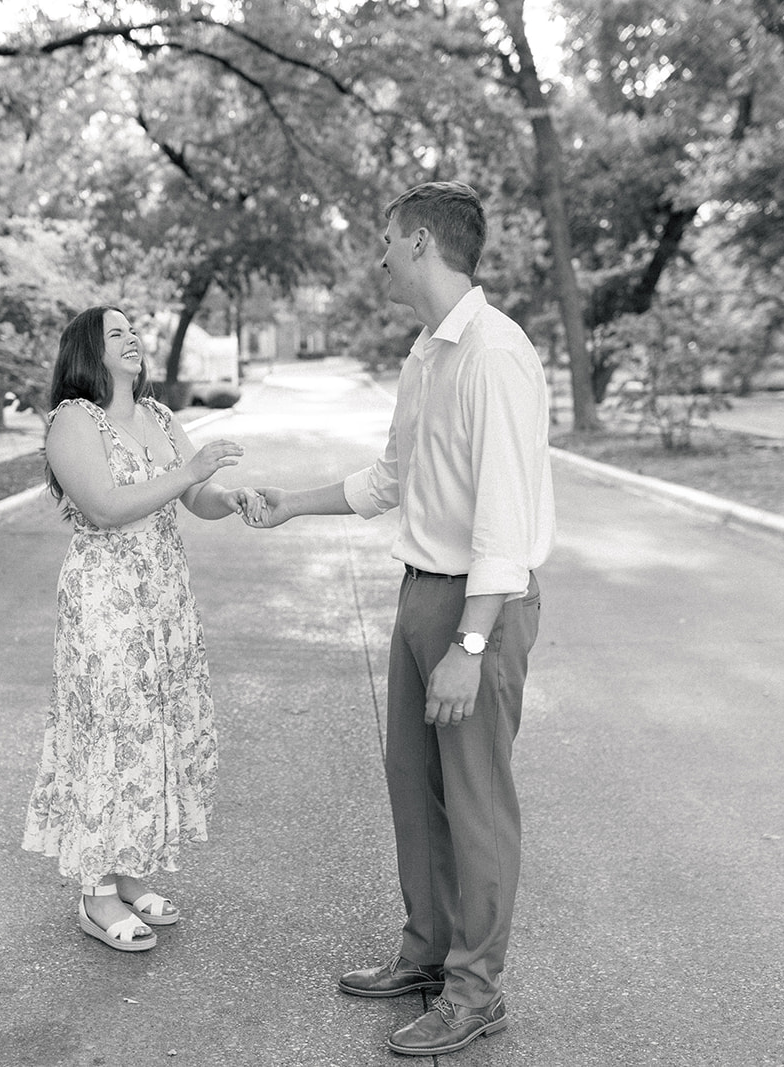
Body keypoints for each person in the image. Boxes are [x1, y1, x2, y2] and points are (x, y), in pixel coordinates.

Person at [243, 181, 555, 1056]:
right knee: (413, 787)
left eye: (385, 239)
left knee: (476, 801)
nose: (376, 254)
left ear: (421, 242)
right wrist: (289, 505)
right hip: (423, 588)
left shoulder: (495, 353)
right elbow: (392, 479)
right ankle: (427, 952)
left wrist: (470, 642)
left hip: (476, 606)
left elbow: (503, 513)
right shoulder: (428, 352)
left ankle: (475, 991)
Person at [21, 305, 259, 953]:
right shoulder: (72, 420)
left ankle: (128, 876)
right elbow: (104, 508)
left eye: (134, 331)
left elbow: (193, 499)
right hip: (106, 599)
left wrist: (227, 499)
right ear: (86, 351)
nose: (131, 339)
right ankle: (94, 896)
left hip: (164, 593)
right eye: (115, 333)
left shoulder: (158, 416)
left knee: (153, 727)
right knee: (110, 728)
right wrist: (188, 470)